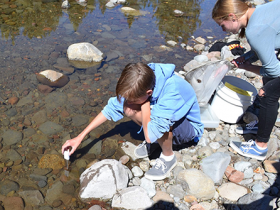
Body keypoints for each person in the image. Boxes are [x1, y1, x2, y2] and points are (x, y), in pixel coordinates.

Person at [61, 62, 204, 180]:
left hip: (188, 128)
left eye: (134, 98)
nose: (129, 101)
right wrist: (79, 138)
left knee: (147, 118)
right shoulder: (142, 79)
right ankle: (157, 142)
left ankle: (168, 157)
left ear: (148, 93)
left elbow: (149, 136)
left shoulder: (173, 90)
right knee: (128, 107)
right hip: (158, 112)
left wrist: (145, 104)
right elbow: (110, 109)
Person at [212, 0, 280, 161]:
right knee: (269, 82)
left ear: (232, 16)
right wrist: (246, 57)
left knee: (267, 93)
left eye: (222, 25)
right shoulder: (259, 11)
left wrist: (247, 67)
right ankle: (263, 124)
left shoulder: (254, 31)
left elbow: (274, 71)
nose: (223, 30)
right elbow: (269, 42)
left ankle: (260, 146)